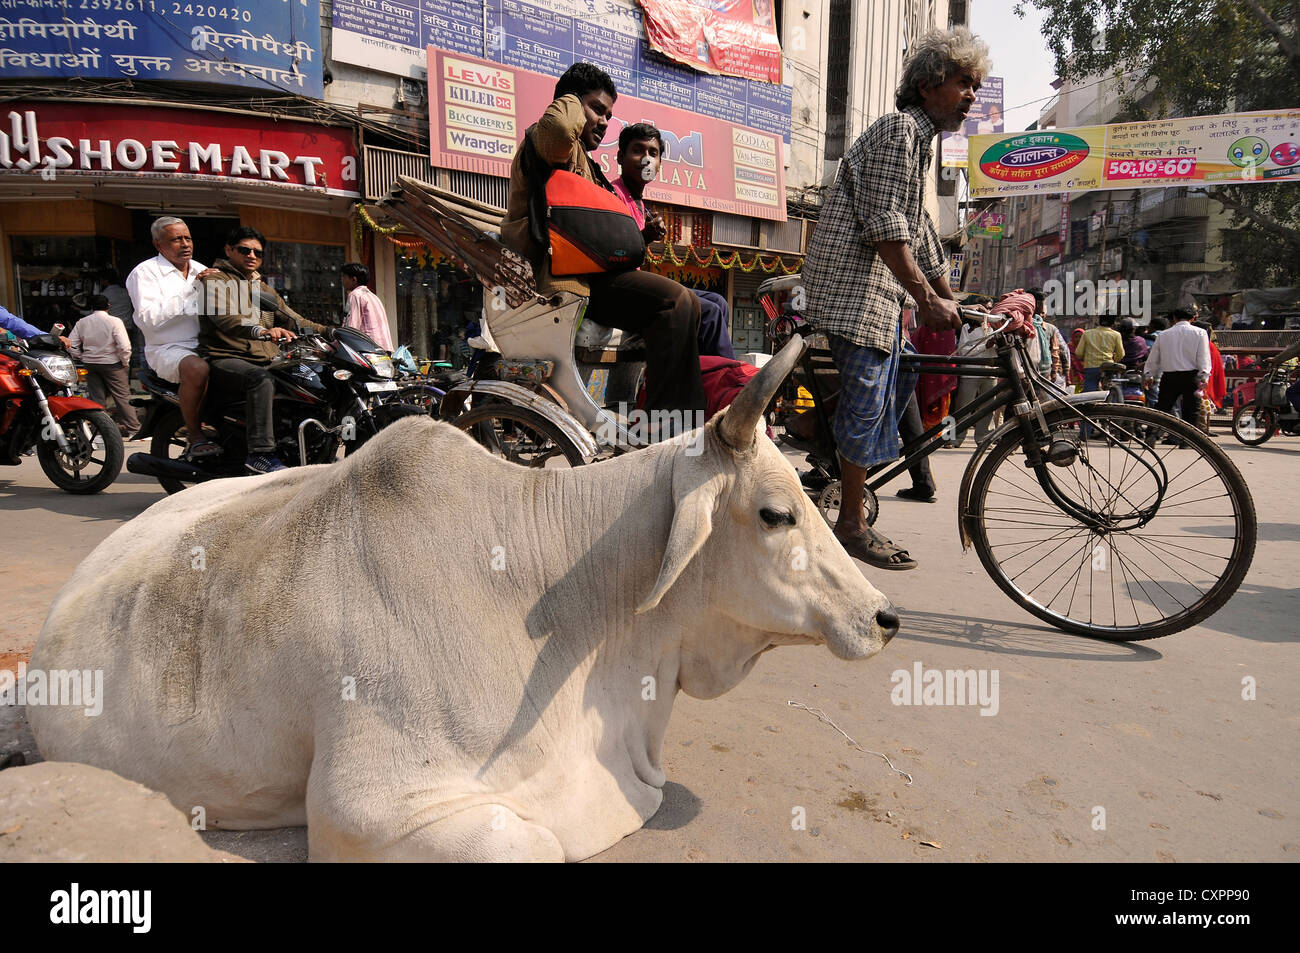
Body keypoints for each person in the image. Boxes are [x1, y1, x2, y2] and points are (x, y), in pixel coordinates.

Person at [800, 27, 987, 570]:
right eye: (962, 83)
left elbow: (920, 231)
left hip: (878, 296)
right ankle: (851, 525)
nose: (970, 96)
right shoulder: (897, 131)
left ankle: (830, 453)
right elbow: (886, 228)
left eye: (975, 86)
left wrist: (958, 301)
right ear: (929, 85)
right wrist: (928, 301)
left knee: (898, 382)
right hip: (853, 291)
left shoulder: (918, 143)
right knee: (865, 400)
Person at [500, 62, 705, 428]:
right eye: (596, 109)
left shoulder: (583, 159)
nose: (604, 121)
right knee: (674, 302)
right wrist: (570, 101)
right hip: (566, 283)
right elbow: (560, 128)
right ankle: (664, 426)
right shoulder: (550, 143)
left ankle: (685, 419)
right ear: (570, 104)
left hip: (593, 277)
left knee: (691, 303)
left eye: (609, 114)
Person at [197, 227, 331, 474]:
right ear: (229, 250)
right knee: (261, 379)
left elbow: (294, 319)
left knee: (310, 378)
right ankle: (261, 454)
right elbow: (226, 318)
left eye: (257, 252)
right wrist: (262, 331)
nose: (252, 255)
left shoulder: (262, 288)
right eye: (244, 250)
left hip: (264, 357)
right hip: (227, 357)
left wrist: (331, 332)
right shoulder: (215, 281)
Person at [609, 121, 736, 360]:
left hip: (633, 284)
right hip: (618, 289)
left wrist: (644, 237)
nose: (646, 159)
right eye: (637, 150)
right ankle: (724, 377)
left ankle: (710, 371)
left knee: (719, 302)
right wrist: (643, 237)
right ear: (620, 157)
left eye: (653, 153)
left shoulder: (638, 202)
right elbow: (612, 252)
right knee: (708, 312)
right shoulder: (612, 195)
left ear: (659, 164)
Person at [125, 216, 214, 458]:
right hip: (168, 348)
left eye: (188, 238)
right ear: (158, 244)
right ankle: (195, 436)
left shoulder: (200, 268)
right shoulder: (144, 273)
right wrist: (192, 290)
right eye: (176, 239)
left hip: (207, 344)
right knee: (197, 369)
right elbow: (148, 318)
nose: (185, 244)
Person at [63, 294, 141, 437]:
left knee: (96, 399)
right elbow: (124, 346)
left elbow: (70, 344)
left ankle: (98, 432)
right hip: (112, 363)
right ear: (108, 306)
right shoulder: (115, 321)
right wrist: (125, 362)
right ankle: (134, 430)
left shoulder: (82, 322)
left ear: (92, 307)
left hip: (90, 363)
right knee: (122, 397)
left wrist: (80, 356)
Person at [1143, 306, 1210, 433]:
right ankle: (1188, 439)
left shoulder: (1163, 334)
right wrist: (1205, 376)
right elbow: (1203, 356)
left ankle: (1152, 433)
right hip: (1191, 377)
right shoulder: (1200, 333)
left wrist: (1149, 374)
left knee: (1162, 408)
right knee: (1191, 410)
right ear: (1193, 318)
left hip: (1169, 376)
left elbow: (1153, 357)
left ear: (1174, 318)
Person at [341, 262, 393, 351]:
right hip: (385, 348)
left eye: (344, 277)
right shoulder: (373, 296)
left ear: (354, 279)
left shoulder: (355, 295)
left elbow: (351, 328)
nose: (342, 280)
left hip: (369, 349)